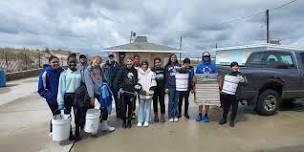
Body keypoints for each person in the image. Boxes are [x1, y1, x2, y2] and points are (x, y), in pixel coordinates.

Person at [84, 56, 115, 132]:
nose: (98, 62)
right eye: (96, 60)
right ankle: (91, 128)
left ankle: (104, 125)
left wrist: (105, 85)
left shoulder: (99, 68)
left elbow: (103, 78)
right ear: (92, 60)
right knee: (92, 111)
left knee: (104, 108)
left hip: (101, 91)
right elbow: (89, 84)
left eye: (99, 61)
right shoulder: (87, 70)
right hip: (92, 93)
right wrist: (91, 96)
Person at [57, 53, 82, 140]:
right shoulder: (63, 74)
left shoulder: (80, 72)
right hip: (67, 96)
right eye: (70, 62)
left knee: (77, 115)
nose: (72, 63)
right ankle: (70, 133)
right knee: (68, 116)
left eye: (74, 62)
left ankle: (77, 132)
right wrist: (60, 102)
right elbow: (61, 89)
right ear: (67, 62)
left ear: (77, 62)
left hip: (77, 96)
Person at [37, 55, 64, 137]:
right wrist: (50, 96)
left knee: (63, 115)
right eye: (53, 62)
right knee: (56, 114)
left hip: (62, 98)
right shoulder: (45, 73)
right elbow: (41, 89)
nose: (56, 63)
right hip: (52, 100)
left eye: (57, 62)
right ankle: (53, 131)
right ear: (49, 63)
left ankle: (63, 130)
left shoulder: (62, 71)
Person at [219, 61, 247, 127]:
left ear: (238, 67)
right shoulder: (228, 74)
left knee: (234, 108)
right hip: (227, 94)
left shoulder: (241, 74)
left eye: (236, 66)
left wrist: (242, 80)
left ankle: (232, 120)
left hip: (236, 94)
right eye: (233, 66)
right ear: (231, 67)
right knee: (226, 107)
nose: (235, 67)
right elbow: (222, 82)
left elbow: (246, 83)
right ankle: (224, 119)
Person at [114, 57, 138, 128]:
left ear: (132, 62)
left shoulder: (135, 71)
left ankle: (129, 121)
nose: (129, 63)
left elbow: (136, 81)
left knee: (130, 108)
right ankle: (124, 121)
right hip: (124, 92)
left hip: (131, 93)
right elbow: (117, 81)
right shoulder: (122, 70)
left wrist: (136, 90)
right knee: (123, 108)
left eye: (130, 61)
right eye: (128, 61)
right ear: (126, 62)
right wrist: (119, 88)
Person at [195, 52, 217, 123]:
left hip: (209, 86)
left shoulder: (213, 66)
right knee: (201, 101)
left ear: (209, 57)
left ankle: (206, 115)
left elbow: (216, 76)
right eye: (205, 56)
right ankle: (200, 114)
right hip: (201, 86)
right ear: (203, 57)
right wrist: (195, 86)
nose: (206, 58)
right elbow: (196, 76)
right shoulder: (199, 66)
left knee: (207, 101)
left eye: (207, 56)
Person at [137, 61, 157, 127]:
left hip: (148, 94)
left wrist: (150, 93)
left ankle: (146, 120)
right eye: (143, 64)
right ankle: (140, 121)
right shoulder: (138, 73)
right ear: (141, 65)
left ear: (147, 65)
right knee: (141, 107)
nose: (144, 66)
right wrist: (140, 90)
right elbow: (136, 83)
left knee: (148, 107)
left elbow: (154, 83)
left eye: (145, 64)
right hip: (141, 93)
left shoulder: (151, 73)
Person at [104, 54, 121, 118]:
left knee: (118, 100)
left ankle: (118, 114)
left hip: (115, 86)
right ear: (108, 58)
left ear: (114, 58)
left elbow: (119, 75)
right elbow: (103, 74)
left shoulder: (117, 65)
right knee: (106, 100)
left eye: (112, 57)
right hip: (108, 85)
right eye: (110, 57)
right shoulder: (105, 65)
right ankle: (105, 115)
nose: (111, 58)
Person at [165, 54, 181, 122]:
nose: (173, 58)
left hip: (178, 86)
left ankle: (175, 115)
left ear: (176, 58)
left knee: (176, 102)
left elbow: (183, 75)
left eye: (174, 57)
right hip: (170, 87)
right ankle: (170, 116)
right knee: (171, 102)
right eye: (172, 57)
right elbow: (165, 78)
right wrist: (166, 87)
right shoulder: (167, 66)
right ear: (170, 58)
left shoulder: (179, 66)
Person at [151, 57, 166, 122]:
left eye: (158, 62)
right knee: (155, 103)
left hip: (162, 89)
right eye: (156, 62)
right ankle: (156, 116)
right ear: (154, 63)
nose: (157, 64)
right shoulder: (151, 70)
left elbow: (166, 79)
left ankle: (162, 116)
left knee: (162, 103)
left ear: (160, 63)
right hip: (154, 89)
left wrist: (166, 88)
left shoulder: (163, 70)